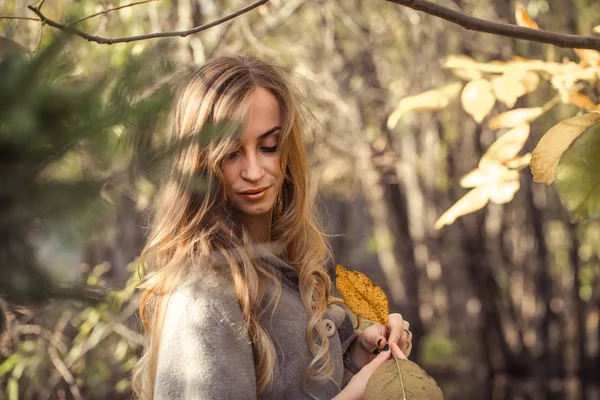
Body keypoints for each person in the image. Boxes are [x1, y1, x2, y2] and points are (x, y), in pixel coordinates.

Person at [131, 55, 413, 400]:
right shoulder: (206, 296)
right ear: (201, 163)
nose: (253, 171)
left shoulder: (284, 267)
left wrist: (358, 356)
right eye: (231, 153)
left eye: (268, 146)